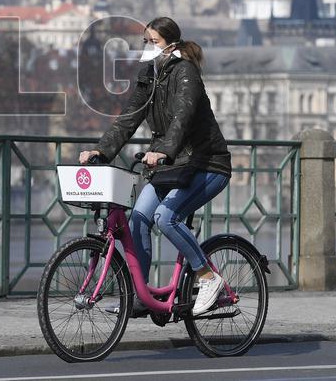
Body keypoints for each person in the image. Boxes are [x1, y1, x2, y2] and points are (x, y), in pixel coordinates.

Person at [79, 16, 232, 317]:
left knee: (166, 218)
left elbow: (182, 118)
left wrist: (162, 150)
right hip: (171, 166)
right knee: (137, 219)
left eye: (154, 41)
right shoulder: (148, 74)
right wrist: (101, 149)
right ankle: (141, 296)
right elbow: (129, 117)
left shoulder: (185, 72)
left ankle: (208, 277)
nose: (148, 46)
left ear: (171, 44)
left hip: (206, 163)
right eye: (145, 40)